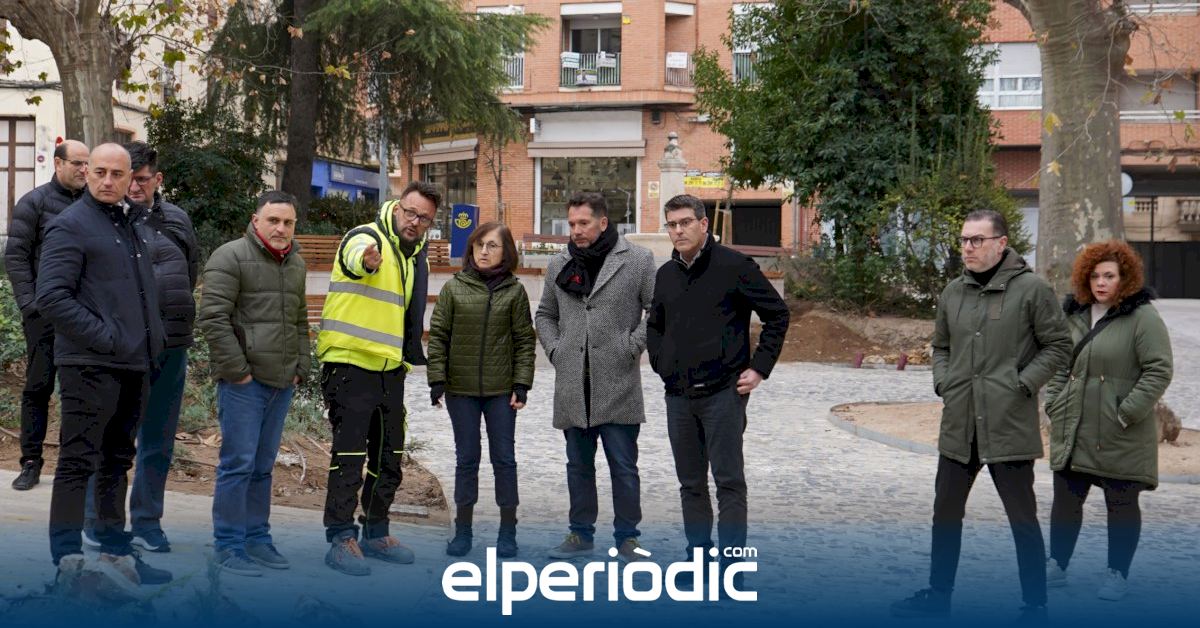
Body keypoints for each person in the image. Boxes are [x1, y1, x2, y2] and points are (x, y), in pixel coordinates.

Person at [892, 209, 1072, 620]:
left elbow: (1059, 346)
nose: (968, 248)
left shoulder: (1032, 290)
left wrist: (1022, 384)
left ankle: (1035, 605)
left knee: (1022, 519)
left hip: (1008, 423)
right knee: (945, 514)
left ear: (1001, 243)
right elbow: (941, 347)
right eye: (964, 240)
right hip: (959, 424)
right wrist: (944, 382)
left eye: (977, 240)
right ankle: (938, 596)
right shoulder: (953, 292)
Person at [36, 143, 171, 593]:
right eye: (100, 172)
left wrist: (149, 341)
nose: (108, 181)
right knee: (78, 460)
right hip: (89, 364)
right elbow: (52, 297)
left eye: (118, 173)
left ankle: (116, 550)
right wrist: (107, 337)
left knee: (117, 459)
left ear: (131, 177)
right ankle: (67, 557)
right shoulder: (70, 225)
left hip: (133, 362)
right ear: (86, 173)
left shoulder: (129, 223)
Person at [646, 194, 789, 575]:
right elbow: (655, 325)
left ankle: (731, 567)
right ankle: (698, 559)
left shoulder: (734, 266)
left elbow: (777, 314)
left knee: (729, 483)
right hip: (678, 396)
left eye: (685, 222)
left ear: (703, 223)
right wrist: (662, 363)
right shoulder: (666, 275)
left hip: (723, 394)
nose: (678, 230)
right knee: (690, 484)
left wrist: (759, 368)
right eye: (672, 224)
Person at [81, 141, 199, 553]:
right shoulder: (102, 220)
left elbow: (189, 272)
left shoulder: (178, 220)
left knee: (159, 441)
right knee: (112, 437)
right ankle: (97, 521)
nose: (133, 187)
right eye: (127, 178)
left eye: (142, 179)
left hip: (172, 345)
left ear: (156, 179)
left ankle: (148, 523)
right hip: (122, 348)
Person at [316, 182, 436, 576]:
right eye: (410, 212)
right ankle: (340, 537)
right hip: (351, 365)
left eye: (424, 218)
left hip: (389, 369)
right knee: (350, 457)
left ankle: (376, 532)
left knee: (389, 457)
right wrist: (366, 262)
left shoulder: (413, 257)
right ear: (396, 207)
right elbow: (355, 258)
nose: (414, 222)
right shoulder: (367, 237)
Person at [1043, 240, 1173, 602]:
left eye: (1110, 276)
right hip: (1074, 425)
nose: (1101, 283)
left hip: (1120, 430)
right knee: (1066, 500)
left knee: (1121, 504)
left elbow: (1159, 369)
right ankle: (1056, 564)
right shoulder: (1076, 314)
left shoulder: (1143, 317)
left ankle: (1118, 573)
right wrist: (1054, 403)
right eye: (1095, 276)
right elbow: (1061, 363)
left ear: (1124, 278)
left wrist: (1126, 411)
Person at [535, 191, 656, 563]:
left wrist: (630, 346)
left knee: (624, 466)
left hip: (618, 381)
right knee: (578, 466)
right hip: (574, 382)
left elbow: (657, 310)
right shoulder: (560, 263)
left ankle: (628, 538)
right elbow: (545, 314)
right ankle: (580, 534)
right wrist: (556, 350)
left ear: (603, 222)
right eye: (572, 223)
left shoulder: (637, 259)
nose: (576, 230)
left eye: (583, 223)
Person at [198, 190, 309, 577]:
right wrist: (238, 372)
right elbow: (212, 318)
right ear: (255, 220)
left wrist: (301, 366)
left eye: (288, 222)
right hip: (244, 384)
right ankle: (228, 546)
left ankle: (257, 539)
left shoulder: (295, 263)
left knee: (262, 466)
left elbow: (299, 320)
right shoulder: (229, 256)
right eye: (273, 220)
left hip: (282, 382)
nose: (281, 228)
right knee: (238, 465)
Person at [427, 222, 535, 558]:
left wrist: (522, 384)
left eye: (492, 246)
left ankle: (508, 532)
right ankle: (463, 531)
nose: (484, 252)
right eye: (478, 245)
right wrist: (436, 379)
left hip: (501, 391)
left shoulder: (514, 292)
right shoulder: (454, 288)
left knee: (504, 459)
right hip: (461, 390)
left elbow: (524, 341)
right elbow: (439, 336)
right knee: (466, 459)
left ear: (506, 252)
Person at [4, 139, 89, 490]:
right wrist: (30, 306)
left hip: (84, 317)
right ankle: (30, 462)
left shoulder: (94, 204)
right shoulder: (34, 202)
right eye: (77, 163)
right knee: (38, 387)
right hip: (44, 316)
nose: (84, 170)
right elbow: (16, 257)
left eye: (87, 163)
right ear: (58, 163)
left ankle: (72, 466)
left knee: (79, 391)